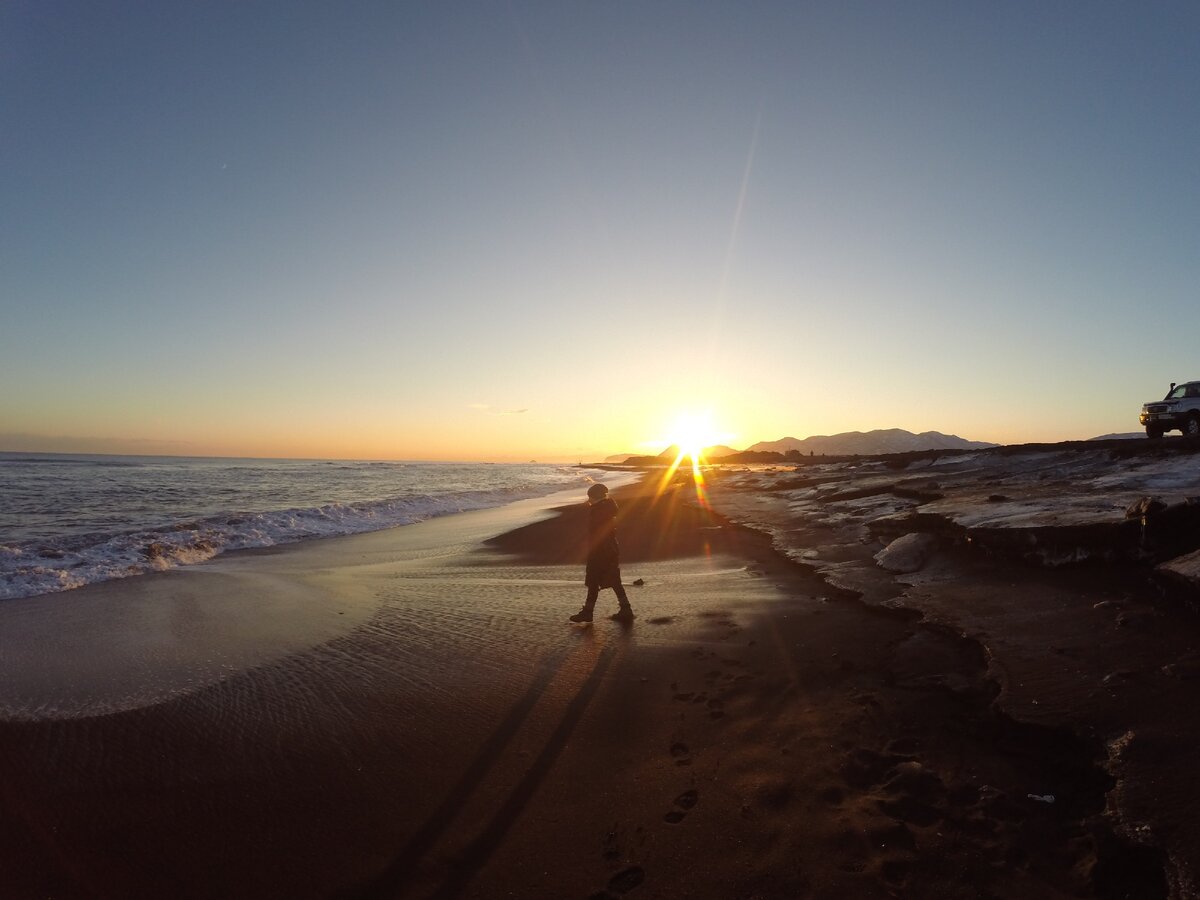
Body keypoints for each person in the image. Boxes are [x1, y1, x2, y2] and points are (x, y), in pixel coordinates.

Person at [569, 483, 635, 623]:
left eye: (590, 497)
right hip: (610, 549)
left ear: (596, 497)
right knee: (614, 580)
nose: (589, 500)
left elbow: (598, 533)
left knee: (594, 580)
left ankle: (588, 612)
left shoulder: (599, 510)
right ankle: (625, 608)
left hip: (601, 550)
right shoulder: (607, 508)